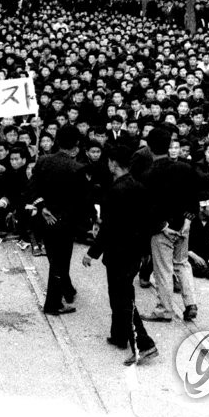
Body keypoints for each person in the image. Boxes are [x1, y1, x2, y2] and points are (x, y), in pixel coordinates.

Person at [82, 143, 158, 366]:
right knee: (120, 293)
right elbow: (147, 222)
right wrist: (145, 251)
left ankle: (144, 344)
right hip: (134, 252)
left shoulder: (116, 191)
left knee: (122, 297)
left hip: (118, 252)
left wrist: (92, 253)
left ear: (113, 163)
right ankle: (119, 335)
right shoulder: (139, 187)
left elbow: (108, 228)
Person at [29, 125, 95, 315]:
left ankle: (67, 290)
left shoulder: (43, 161)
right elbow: (83, 201)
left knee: (54, 259)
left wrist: (42, 208)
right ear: (75, 145)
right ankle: (53, 304)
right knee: (60, 262)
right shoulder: (78, 168)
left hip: (45, 219)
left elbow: (32, 187)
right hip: (65, 223)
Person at [140, 127, 199, 323]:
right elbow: (194, 197)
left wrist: (162, 226)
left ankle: (164, 310)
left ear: (150, 147)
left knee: (163, 269)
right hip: (184, 225)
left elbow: (148, 206)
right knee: (182, 264)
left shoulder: (149, 174)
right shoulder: (185, 168)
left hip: (162, 228)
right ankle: (190, 303)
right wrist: (188, 221)